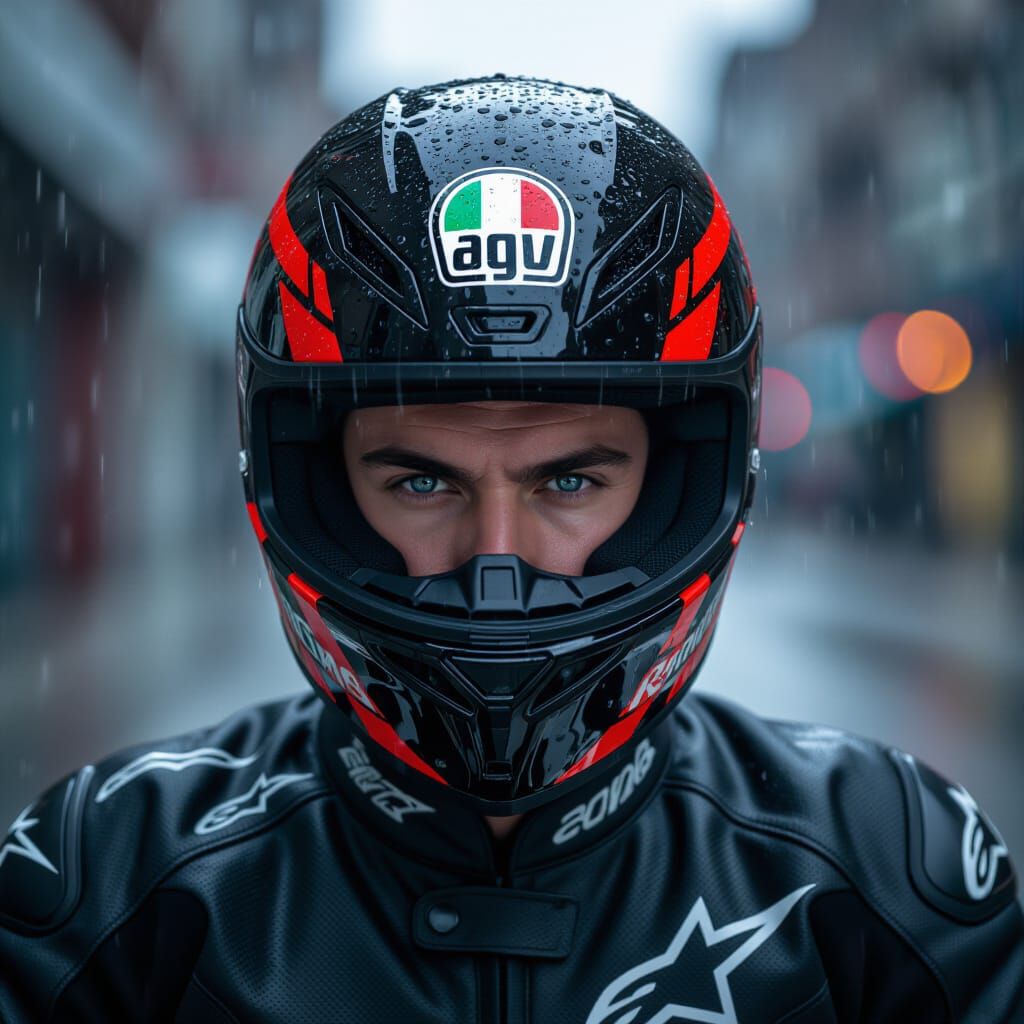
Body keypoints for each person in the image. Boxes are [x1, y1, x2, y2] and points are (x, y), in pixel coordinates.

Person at [1, 75, 1021, 1023]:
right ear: (315, 487)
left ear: (681, 483)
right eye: (420, 480)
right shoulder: (115, 875)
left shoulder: (886, 864)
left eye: (568, 480)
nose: (498, 560)